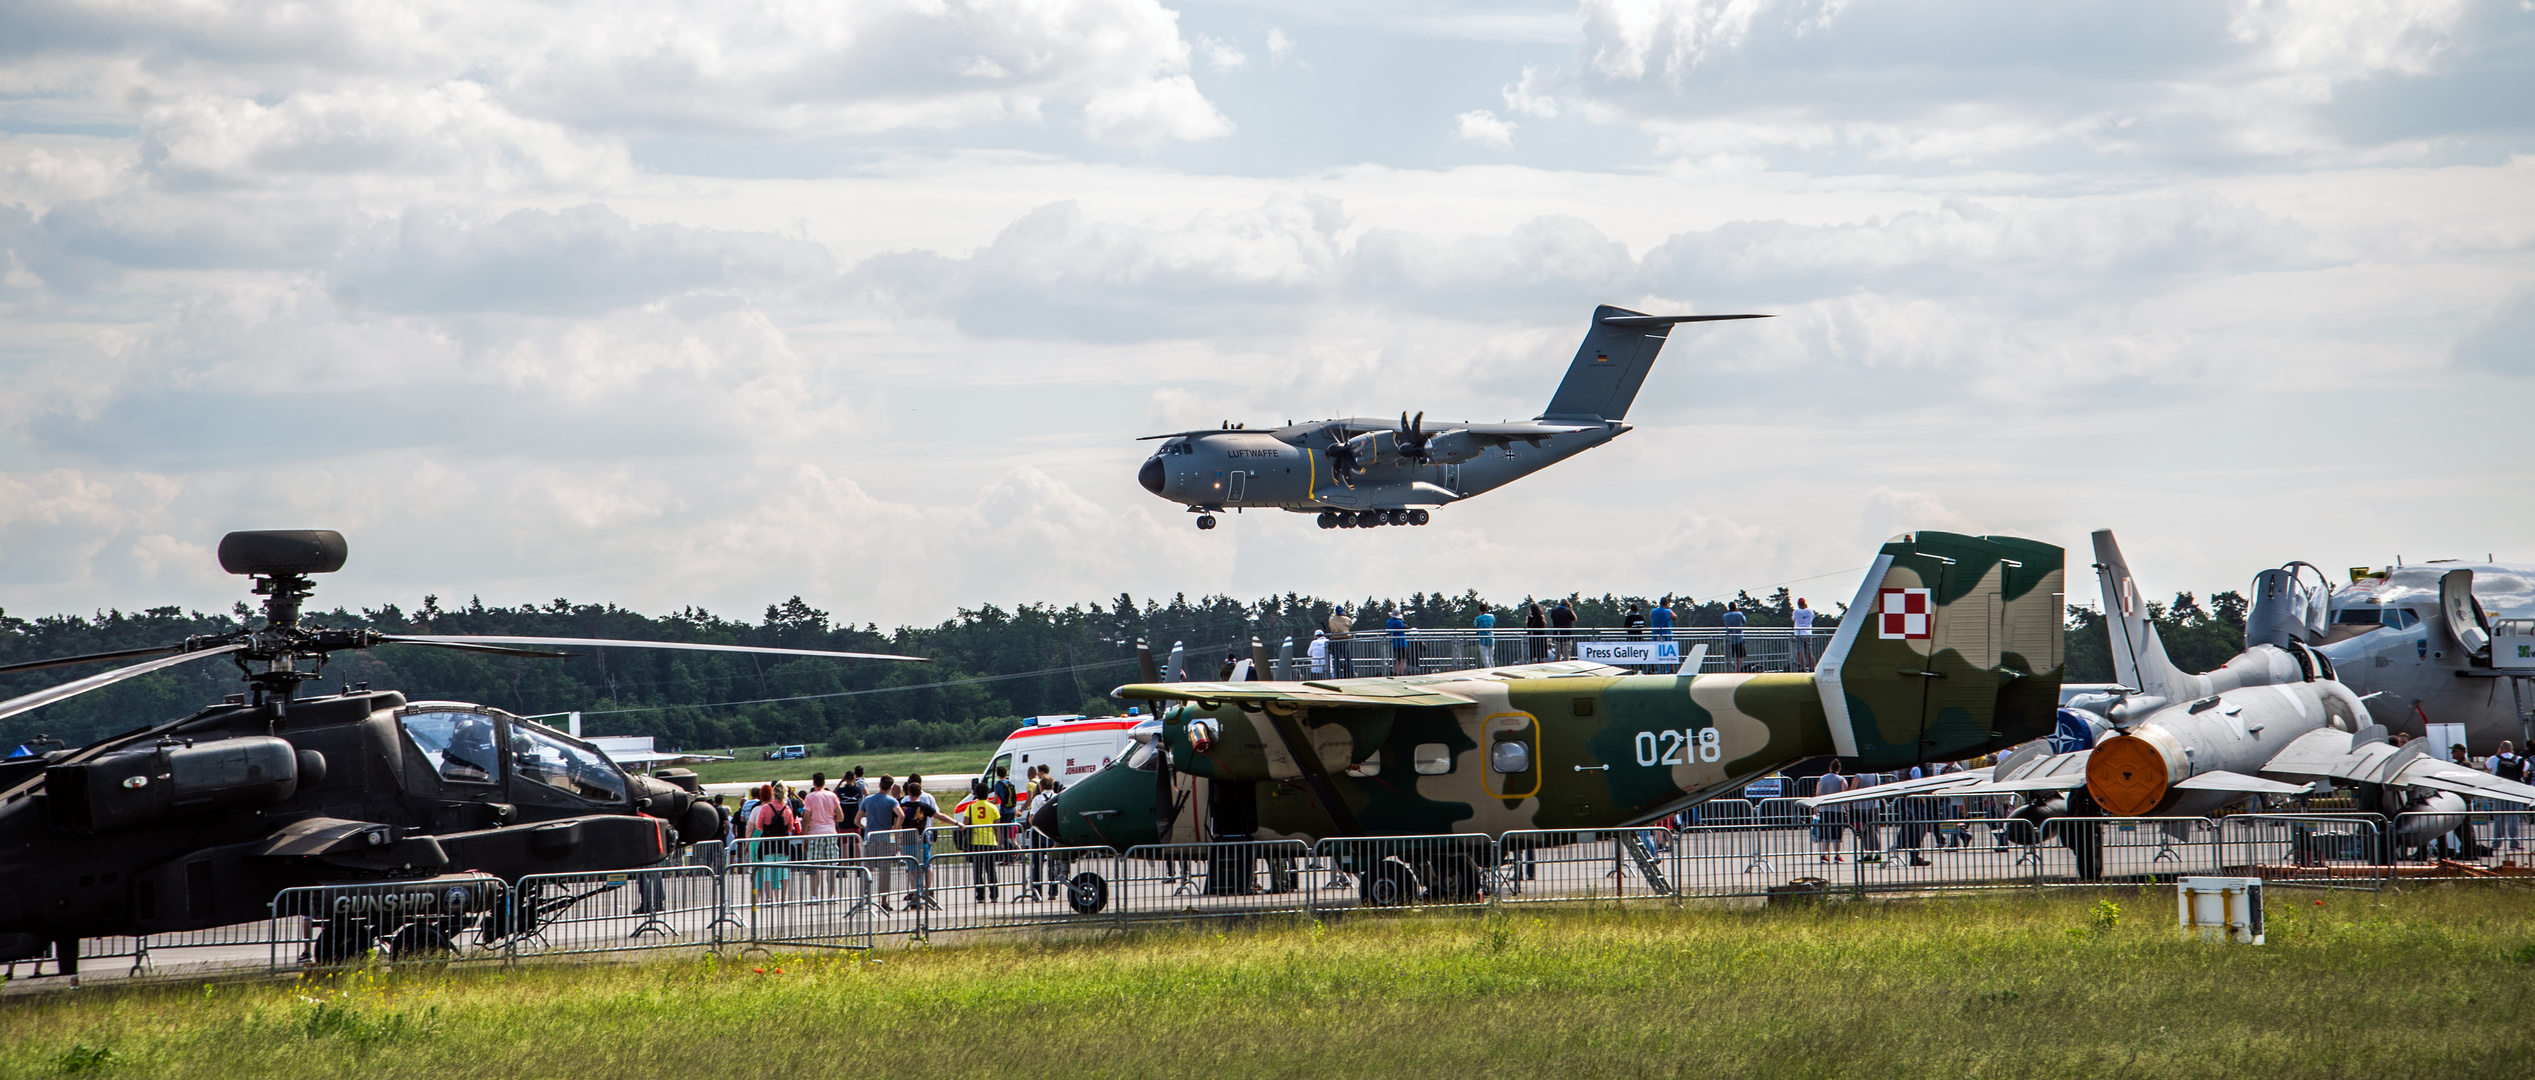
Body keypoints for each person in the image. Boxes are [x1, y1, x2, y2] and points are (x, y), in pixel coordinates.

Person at [858, 776, 903, 912]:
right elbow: (901, 815)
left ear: (879, 785)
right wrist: (894, 829)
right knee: (884, 870)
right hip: (885, 838)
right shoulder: (891, 801)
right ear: (890, 787)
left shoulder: (868, 800)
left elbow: (857, 819)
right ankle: (884, 900)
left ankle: (865, 897)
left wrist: (865, 828)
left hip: (870, 838)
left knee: (867, 869)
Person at [901, 780, 944, 910]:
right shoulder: (924, 806)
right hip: (923, 839)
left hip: (908, 841)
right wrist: (956, 823)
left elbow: (898, 820)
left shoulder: (903, 805)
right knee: (926, 865)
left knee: (912, 869)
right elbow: (940, 815)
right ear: (920, 792)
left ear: (908, 792)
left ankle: (915, 894)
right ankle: (927, 890)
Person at [748, 785, 796, 900]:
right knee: (782, 870)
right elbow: (790, 828)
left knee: (767, 870)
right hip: (782, 843)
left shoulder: (765, 808)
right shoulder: (787, 809)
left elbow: (759, 826)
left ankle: (768, 897)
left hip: (768, 842)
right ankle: (783, 896)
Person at [800, 773, 843, 898]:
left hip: (815, 834)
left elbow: (806, 818)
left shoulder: (810, 797)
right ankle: (832, 894)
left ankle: (814, 895)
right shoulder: (832, 796)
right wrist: (832, 817)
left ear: (814, 783)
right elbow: (840, 816)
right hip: (830, 832)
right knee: (831, 865)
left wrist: (804, 837)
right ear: (824, 783)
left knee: (815, 866)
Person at [964, 779, 1003, 903]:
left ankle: (980, 895)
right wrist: (999, 842)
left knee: (977, 870)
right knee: (991, 869)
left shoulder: (970, 807)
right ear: (988, 794)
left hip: (976, 842)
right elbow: (997, 827)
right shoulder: (993, 807)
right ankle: (994, 894)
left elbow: (965, 823)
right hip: (990, 841)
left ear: (975, 793)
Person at [2489, 741, 2526, 852]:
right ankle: (2514, 843)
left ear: (2501, 748)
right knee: (2514, 816)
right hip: (2515, 790)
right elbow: (2523, 772)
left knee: (2499, 817)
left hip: (2499, 789)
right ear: (2512, 748)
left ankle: (2496, 843)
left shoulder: (2494, 758)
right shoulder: (2519, 759)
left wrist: (2498, 752)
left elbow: (2487, 766)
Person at [1812, 763, 1848, 862]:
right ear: (1839, 768)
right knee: (1837, 833)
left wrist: (1816, 807)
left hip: (1824, 809)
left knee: (1825, 833)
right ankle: (1837, 855)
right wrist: (1847, 809)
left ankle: (1824, 855)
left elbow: (1818, 794)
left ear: (1829, 767)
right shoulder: (1841, 779)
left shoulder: (1822, 779)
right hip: (1837, 810)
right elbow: (1845, 794)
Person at [1328, 604, 1355, 677]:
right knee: (1348, 658)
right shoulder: (1347, 619)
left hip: (1335, 640)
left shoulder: (1331, 619)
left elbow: (1330, 626)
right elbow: (1350, 625)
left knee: (1336, 659)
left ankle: (1338, 675)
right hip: (1345, 640)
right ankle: (1350, 674)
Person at [1791, 597, 1817, 671]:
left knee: (1800, 652)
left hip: (1799, 633)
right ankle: (1812, 668)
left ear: (1798, 604)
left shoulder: (1796, 612)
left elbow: (1793, 618)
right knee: (1809, 653)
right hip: (1808, 633)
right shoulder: (1810, 611)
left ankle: (1803, 668)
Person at [1722, 602, 1748, 669]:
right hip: (1739, 637)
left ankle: (1730, 669)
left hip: (1730, 638)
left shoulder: (1725, 615)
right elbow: (1744, 621)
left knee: (1730, 655)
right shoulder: (1739, 614)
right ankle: (1738, 669)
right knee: (1740, 656)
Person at [1386, 608, 1411, 675]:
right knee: (1404, 660)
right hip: (1402, 642)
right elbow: (1406, 628)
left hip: (1394, 643)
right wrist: (1403, 621)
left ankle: (1394, 672)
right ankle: (1400, 673)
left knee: (1399, 659)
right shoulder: (1399, 622)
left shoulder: (1388, 622)